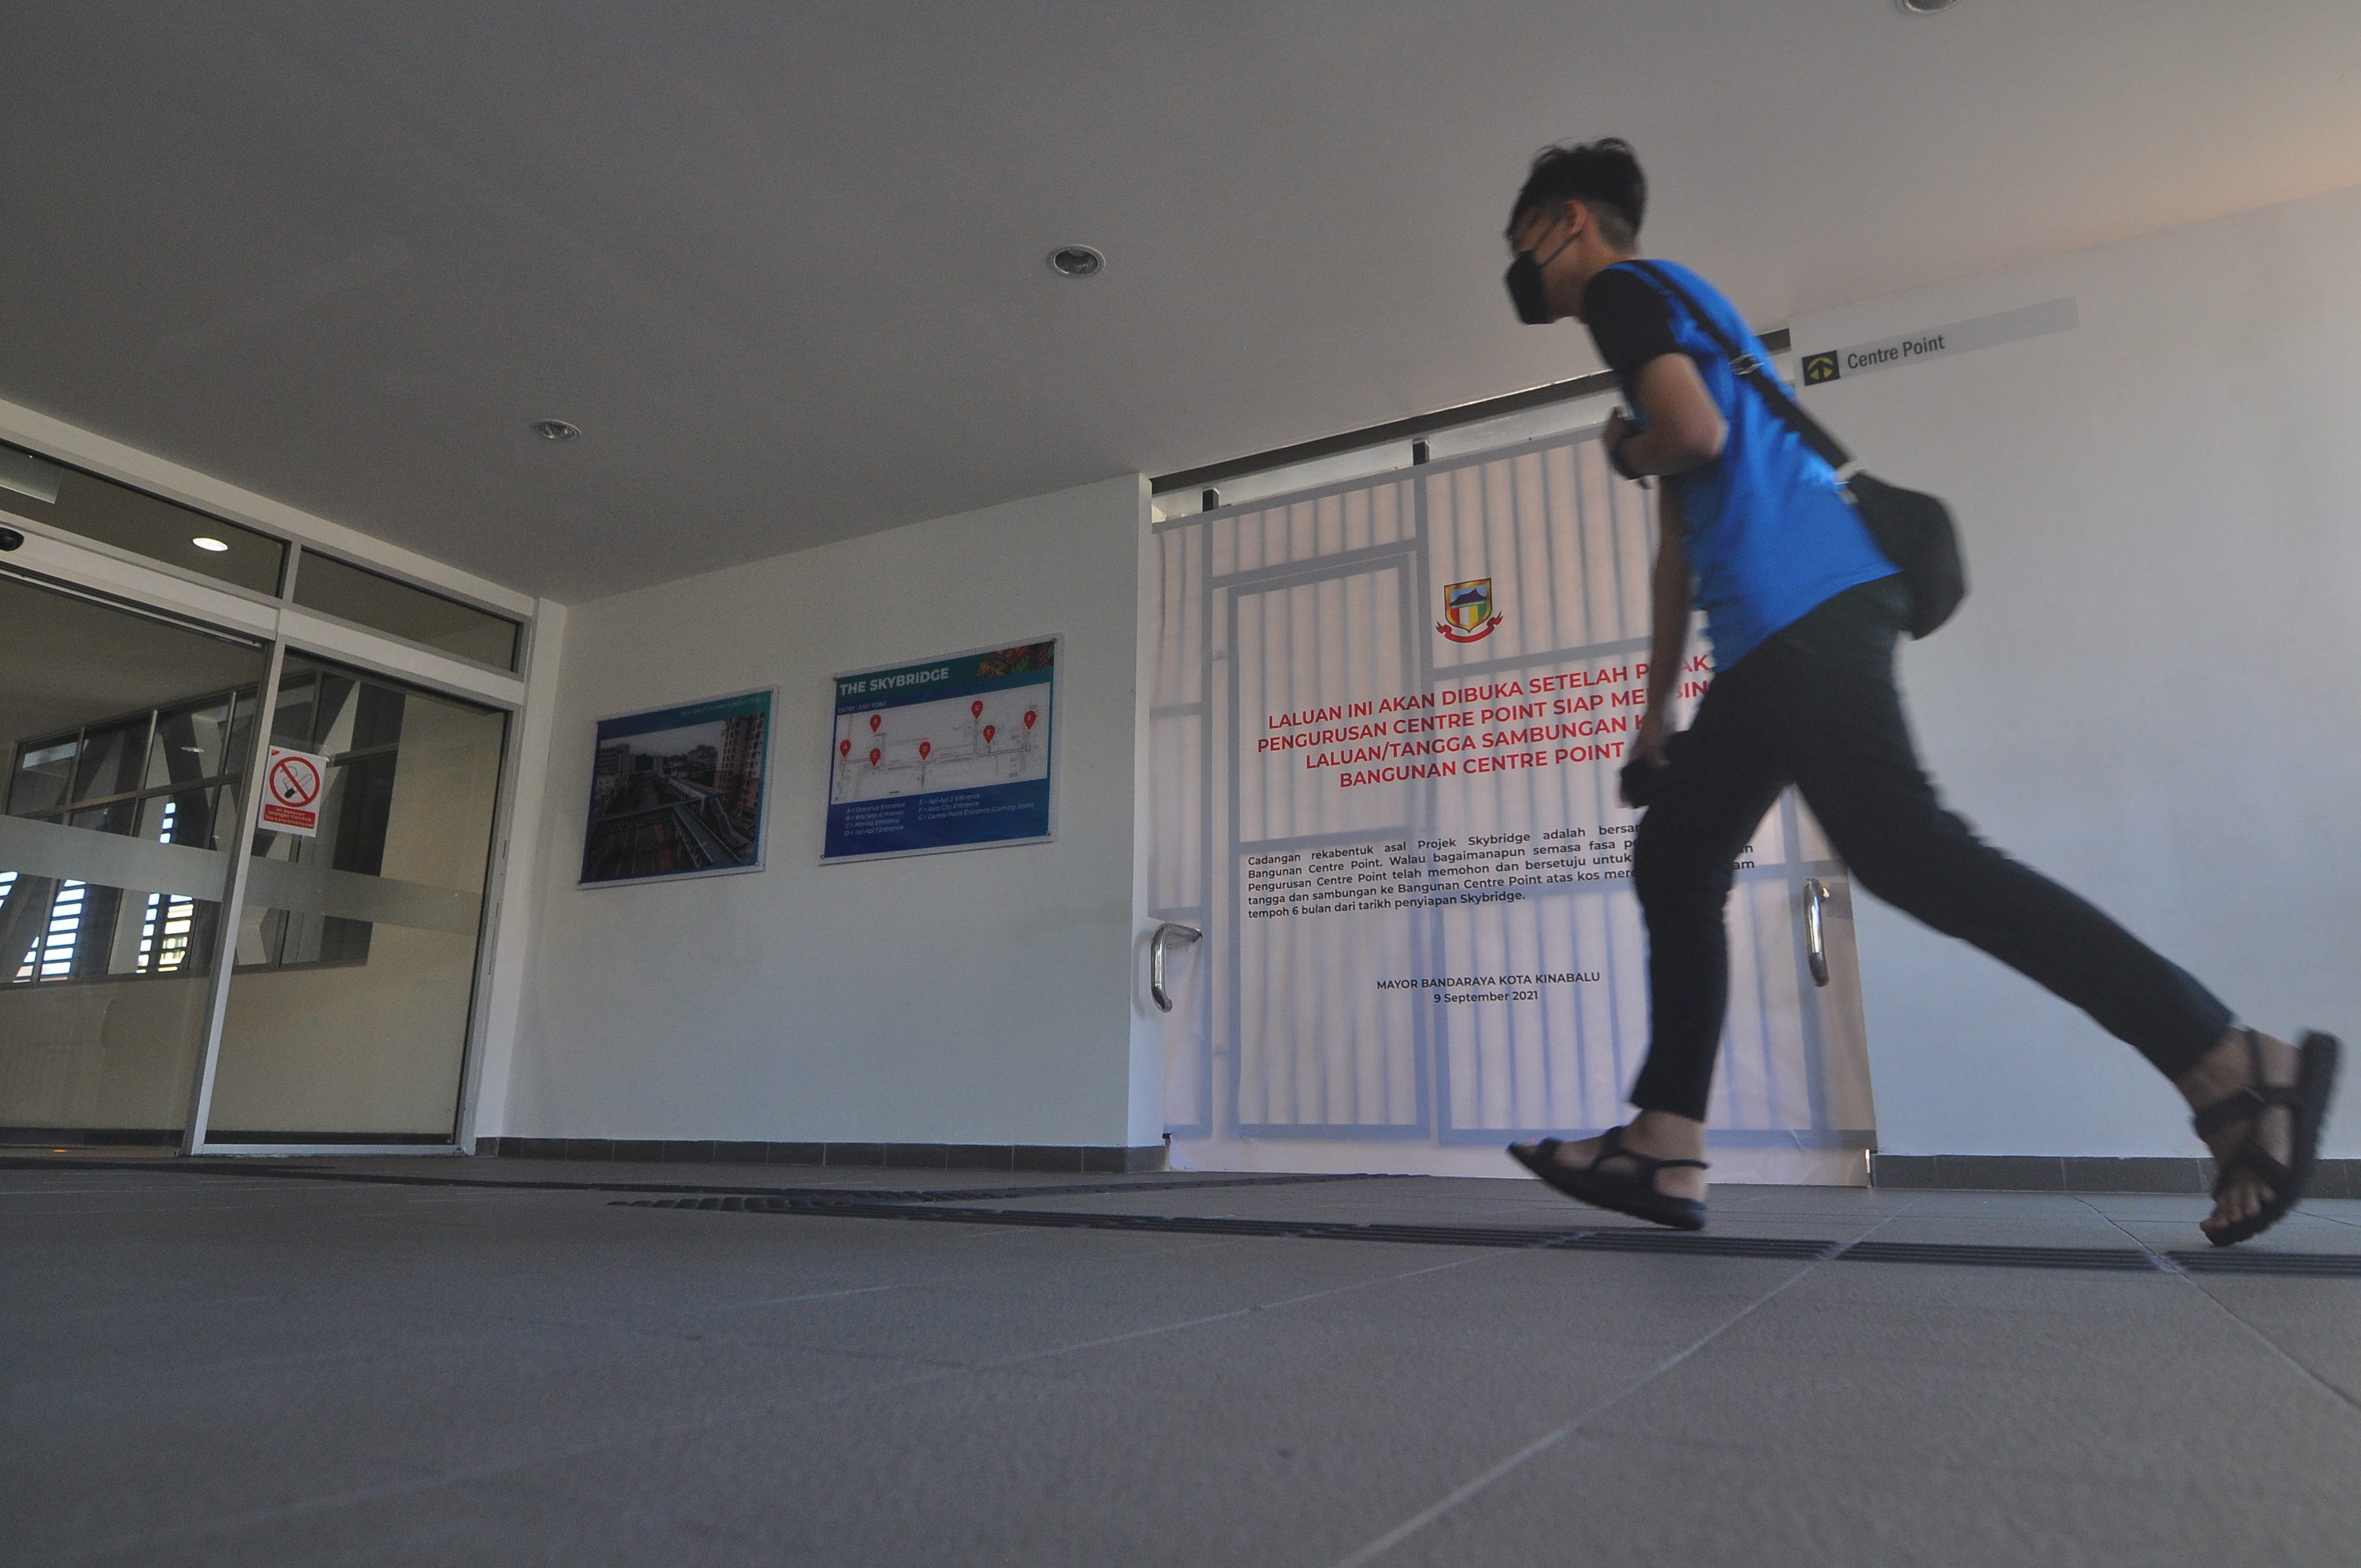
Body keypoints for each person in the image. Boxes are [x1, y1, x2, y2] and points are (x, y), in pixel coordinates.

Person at [1498, 138, 2337, 1245]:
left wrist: (1627, 450)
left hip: (1802, 610)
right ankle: (1665, 1141)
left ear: (1569, 218)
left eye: (1521, 239)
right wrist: (1655, 712)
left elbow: (1690, 437)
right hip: (1773, 632)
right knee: (1679, 853)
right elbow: (1679, 538)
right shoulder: (1672, 312)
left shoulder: (1621, 291)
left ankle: (2230, 1061)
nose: (1517, 264)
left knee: (1914, 856)